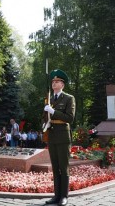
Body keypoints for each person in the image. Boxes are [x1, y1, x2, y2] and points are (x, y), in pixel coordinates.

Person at [44, 69, 75, 206]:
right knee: (55, 167)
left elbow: (70, 118)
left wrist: (53, 112)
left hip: (63, 135)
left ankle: (64, 196)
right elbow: (45, 117)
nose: (54, 83)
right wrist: (44, 123)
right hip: (52, 135)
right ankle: (56, 196)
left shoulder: (69, 98)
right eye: (53, 81)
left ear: (62, 84)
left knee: (63, 166)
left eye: (57, 81)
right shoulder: (49, 99)